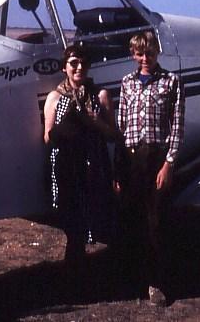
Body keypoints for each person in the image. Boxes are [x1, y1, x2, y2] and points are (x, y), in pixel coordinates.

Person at [116, 30, 184, 307]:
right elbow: (121, 126)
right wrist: (117, 170)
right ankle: (134, 279)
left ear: (157, 52)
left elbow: (177, 126)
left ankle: (156, 283)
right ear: (133, 54)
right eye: (139, 53)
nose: (145, 58)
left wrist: (168, 164)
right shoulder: (127, 83)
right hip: (132, 160)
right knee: (132, 221)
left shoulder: (171, 82)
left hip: (156, 160)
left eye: (150, 53)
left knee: (156, 223)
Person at [43, 45, 119, 278]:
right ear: (65, 67)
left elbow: (113, 135)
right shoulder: (54, 97)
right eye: (73, 63)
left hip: (93, 163)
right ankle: (74, 263)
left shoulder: (100, 95)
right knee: (70, 215)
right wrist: (65, 129)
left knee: (96, 211)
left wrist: (95, 121)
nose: (79, 68)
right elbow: (47, 136)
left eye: (83, 63)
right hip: (67, 164)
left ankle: (95, 265)